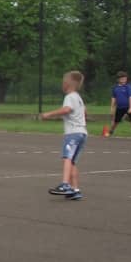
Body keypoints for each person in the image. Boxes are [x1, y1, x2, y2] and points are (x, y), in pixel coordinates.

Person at [41, 71, 87, 200]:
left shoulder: (70, 96)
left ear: (68, 84)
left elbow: (67, 109)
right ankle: (75, 189)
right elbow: (85, 112)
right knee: (72, 162)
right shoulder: (78, 97)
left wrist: (48, 114)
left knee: (67, 157)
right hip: (82, 132)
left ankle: (65, 184)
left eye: (63, 82)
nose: (62, 84)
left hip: (73, 133)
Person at [109, 71, 131, 139]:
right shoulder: (115, 88)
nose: (124, 79)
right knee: (116, 121)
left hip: (128, 106)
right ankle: (111, 132)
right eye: (122, 78)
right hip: (120, 107)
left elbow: (130, 97)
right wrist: (112, 108)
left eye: (125, 78)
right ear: (118, 79)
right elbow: (113, 98)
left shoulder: (128, 87)